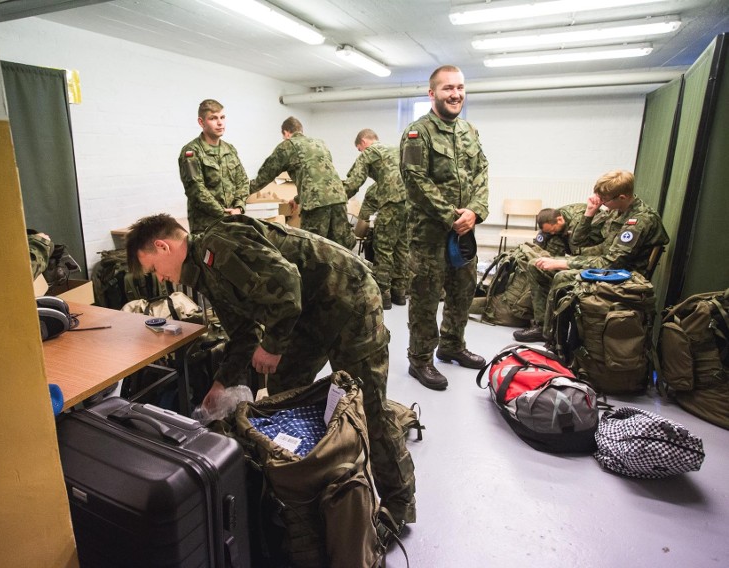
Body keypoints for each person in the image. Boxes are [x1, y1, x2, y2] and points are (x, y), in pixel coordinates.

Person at [126, 213, 416, 528]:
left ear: (163, 246)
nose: (162, 278)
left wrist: (274, 346)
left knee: (368, 406)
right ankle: (308, 482)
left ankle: (398, 504)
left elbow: (288, 283)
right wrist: (221, 383)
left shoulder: (220, 246)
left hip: (349, 297)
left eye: (154, 268)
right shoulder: (205, 272)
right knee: (284, 393)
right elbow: (244, 333)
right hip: (305, 315)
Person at [399, 64, 489, 390]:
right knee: (425, 298)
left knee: (463, 291)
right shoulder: (417, 132)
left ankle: (452, 345)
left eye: (460, 88)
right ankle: (420, 359)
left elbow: (482, 173)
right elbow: (415, 181)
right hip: (429, 236)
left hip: (465, 231)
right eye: (448, 88)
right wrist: (454, 215)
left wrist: (476, 212)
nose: (455, 94)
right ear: (432, 93)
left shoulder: (469, 131)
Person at [514, 170, 670, 342]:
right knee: (536, 265)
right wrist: (589, 213)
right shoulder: (615, 212)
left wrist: (564, 264)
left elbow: (613, 263)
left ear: (622, 197)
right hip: (605, 264)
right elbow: (578, 243)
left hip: (623, 275)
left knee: (562, 276)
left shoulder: (639, 221)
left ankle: (553, 336)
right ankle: (542, 325)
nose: (601, 202)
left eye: (604, 199)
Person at [250, 116, 355, 249]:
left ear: (286, 133)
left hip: (316, 204)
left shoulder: (288, 145)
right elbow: (319, 178)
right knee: (340, 249)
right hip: (339, 198)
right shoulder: (320, 143)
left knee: (313, 249)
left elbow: (264, 176)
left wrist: (241, 194)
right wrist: (297, 199)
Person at [344, 128, 410, 310]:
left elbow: (354, 182)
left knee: (383, 246)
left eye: (359, 149)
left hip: (391, 201)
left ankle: (384, 294)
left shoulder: (370, 152)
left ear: (364, 142)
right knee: (402, 247)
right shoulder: (397, 149)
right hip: (411, 202)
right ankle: (400, 293)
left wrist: (338, 197)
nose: (360, 152)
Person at [178, 99, 249, 234]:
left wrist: (239, 207)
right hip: (206, 226)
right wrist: (224, 213)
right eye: (213, 118)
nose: (220, 122)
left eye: (222, 117)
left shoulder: (230, 149)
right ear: (201, 122)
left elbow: (243, 181)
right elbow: (195, 189)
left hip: (234, 221)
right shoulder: (192, 152)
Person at [535, 203, 606, 257]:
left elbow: (577, 245)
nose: (552, 233)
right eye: (549, 231)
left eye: (553, 230)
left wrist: (570, 263)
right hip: (571, 234)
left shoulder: (576, 220)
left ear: (559, 220)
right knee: (552, 240)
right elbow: (538, 244)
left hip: (593, 239)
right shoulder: (550, 219)